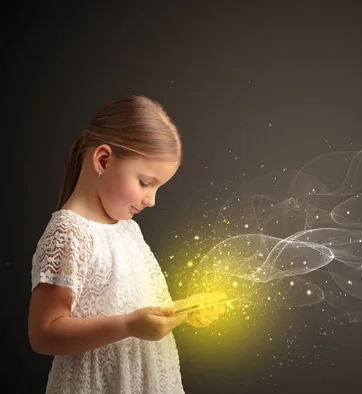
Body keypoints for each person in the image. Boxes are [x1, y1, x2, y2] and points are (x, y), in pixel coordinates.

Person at [28, 95, 225, 393]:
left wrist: (180, 311)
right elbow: (44, 334)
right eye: (146, 183)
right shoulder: (69, 233)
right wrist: (129, 326)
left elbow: (131, 305)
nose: (152, 200)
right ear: (103, 160)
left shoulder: (128, 229)